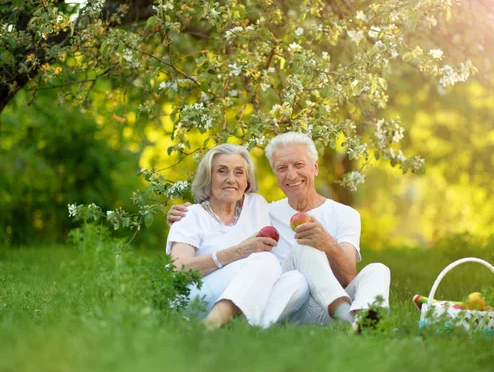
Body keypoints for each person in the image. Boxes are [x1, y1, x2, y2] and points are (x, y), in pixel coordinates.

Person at [169, 133, 391, 328]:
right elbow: (217, 219)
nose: (291, 175)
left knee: (378, 269)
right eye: (282, 168)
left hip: (326, 303)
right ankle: (350, 321)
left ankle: (367, 324)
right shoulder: (267, 210)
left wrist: (328, 243)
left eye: (298, 165)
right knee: (300, 253)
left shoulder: (344, 214)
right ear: (275, 173)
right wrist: (183, 215)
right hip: (289, 305)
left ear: (315, 167)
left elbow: (349, 276)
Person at [166, 143, 309, 329]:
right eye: (222, 171)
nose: (231, 179)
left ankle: (243, 329)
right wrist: (238, 251)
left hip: (243, 293)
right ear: (208, 178)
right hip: (195, 296)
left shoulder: (256, 205)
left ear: (247, 181)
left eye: (239, 172)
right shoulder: (190, 215)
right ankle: (211, 323)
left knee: (298, 281)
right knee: (265, 259)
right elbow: (177, 270)